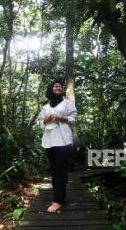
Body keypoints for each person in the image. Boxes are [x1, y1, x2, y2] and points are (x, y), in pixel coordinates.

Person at [38, 80, 77, 213]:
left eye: (60, 86)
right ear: (51, 89)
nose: (59, 87)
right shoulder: (46, 107)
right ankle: (61, 196)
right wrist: (46, 119)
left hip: (63, 141)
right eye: (56, 86)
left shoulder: (67, 103)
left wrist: (60, 117)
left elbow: (73, 119)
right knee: (54, 170)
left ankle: (57, 201)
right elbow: (41, 124)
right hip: (49, 141)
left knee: (61, 170)